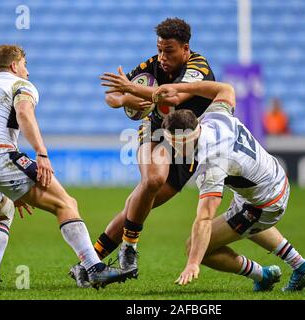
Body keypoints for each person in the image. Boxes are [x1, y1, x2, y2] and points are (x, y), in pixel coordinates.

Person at [0, 44, 130, 291]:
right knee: (66, 204)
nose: (27, 72)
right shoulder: (20, 85)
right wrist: (41, 154)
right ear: (15, 65)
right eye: (25, 65)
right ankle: (95, 268)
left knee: (2, 213)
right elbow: (25, 114)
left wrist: (10, 187)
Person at [69, 18, 216, 286]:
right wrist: (126, 97)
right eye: (159, 49)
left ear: (185, 49)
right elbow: (112, 95)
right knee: (152, 179)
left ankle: (86, 264)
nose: (162, 57)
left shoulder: (198, 68)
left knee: (136, 207)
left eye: (168, 50)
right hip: (157, 132)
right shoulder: (152, 65)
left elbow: (171, 97)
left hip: (187, 146)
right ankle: (129, 249)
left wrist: (133, 89)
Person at [153, 81, 305, 291]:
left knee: (196, 247)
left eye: (173, 143)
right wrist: (182, 88)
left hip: (266, 204)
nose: (172, 149)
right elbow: (226, 89)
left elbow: (204, 218)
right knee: (239, 215)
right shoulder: (214, 117)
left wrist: (193, 262)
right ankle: (302, 266)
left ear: (184, 141)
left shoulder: (211, 162)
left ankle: (262, 275)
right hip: (274, 179)